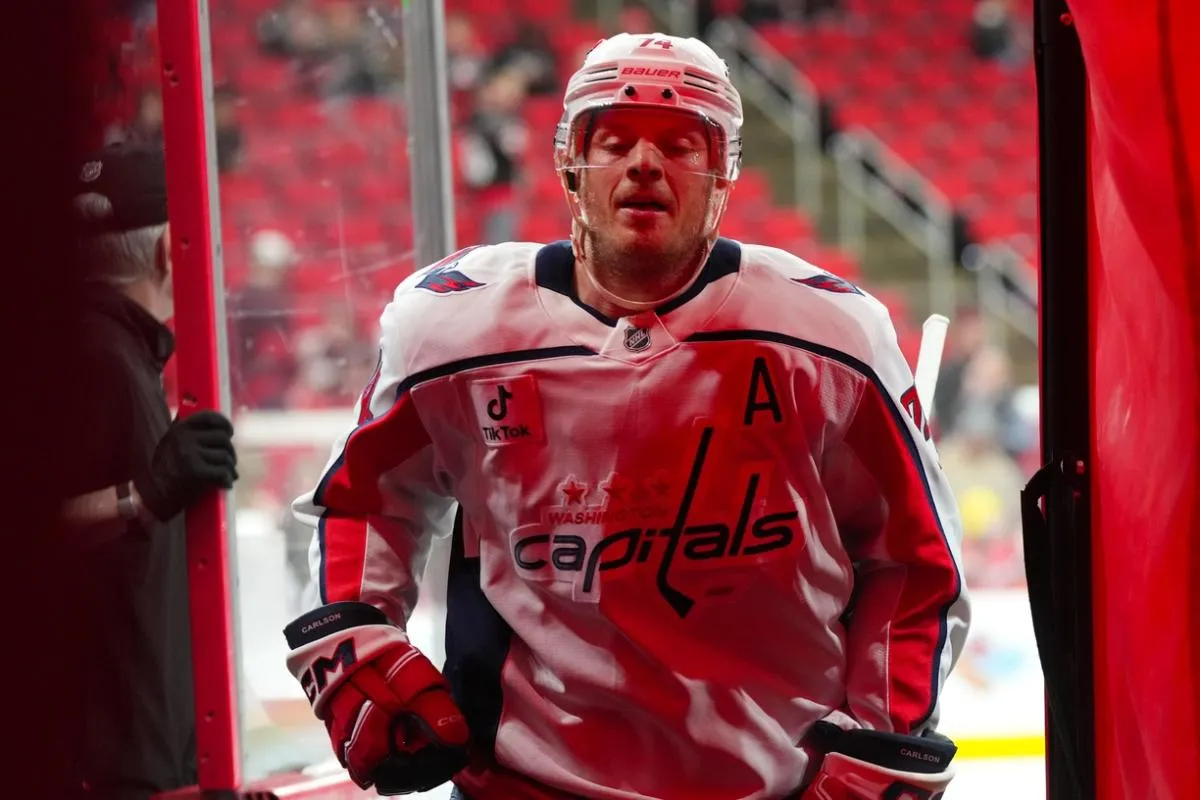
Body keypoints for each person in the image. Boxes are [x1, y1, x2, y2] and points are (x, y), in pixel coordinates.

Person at [283, 33, 970, 800]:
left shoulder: (832, 337)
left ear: (724, 175)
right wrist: (362, 643)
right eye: (613, 140)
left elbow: (912, 561)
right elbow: (366, 501)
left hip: (772, 785)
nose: (644, 163)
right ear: (570, 165)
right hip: (523, 784)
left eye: (681, 143)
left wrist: (885, 731)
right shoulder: (450, 328)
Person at [54, 141, 239, 800]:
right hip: (112, 768)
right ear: (171, 251)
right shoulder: (95, 356)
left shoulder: (100, 347)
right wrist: (144, 495)